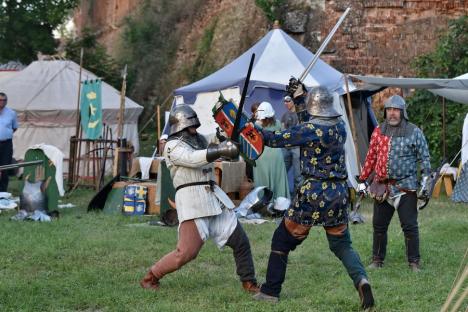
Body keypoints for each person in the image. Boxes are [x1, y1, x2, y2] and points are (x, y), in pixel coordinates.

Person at [253, 87, 374, 310]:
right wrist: (301, 98)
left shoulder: (309, 129)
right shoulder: (340, 127)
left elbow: (274, 138)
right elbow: (307, 123)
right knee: (342, 245)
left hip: (313, 193)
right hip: (338, 194)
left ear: (313, 108)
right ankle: (362, 280)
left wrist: (249, 127)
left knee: (281, 240)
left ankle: (270, 291)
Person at [140, 104, 260, 293]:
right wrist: (220, 150)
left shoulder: (200, 140)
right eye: (191, 125)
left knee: (240, 241)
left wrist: (229, 138)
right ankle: (150, 277)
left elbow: (215, 145)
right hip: (192, 201)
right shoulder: (172, 146)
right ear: (180, 125)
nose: (195, 128)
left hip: (213, 198)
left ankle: (249, 283)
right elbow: (193, 158)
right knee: (186, 253)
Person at [357, 95, 431, 272]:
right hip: (382, 186)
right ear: (385, 112)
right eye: (389, 110)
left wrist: (426, 182)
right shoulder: (378, 131)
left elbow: (425, 158)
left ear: (403, 112)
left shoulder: (414, 132)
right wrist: (362, 180)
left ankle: (414, 262)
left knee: (409, 226)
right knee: (379, 226)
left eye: (396, 110)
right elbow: (371, 157)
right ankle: (377, 260)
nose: (392, 114)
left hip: (406, 186)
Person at [253, 101, 290, 200]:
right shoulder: (277, 123)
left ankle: (263, 204)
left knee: (263, 181)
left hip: (261, 154)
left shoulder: (256, 125)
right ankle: (280, 203)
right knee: (278, 179)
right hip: (276, 154)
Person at [281, 95, 301, 195]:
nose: (286, 103)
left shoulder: (300, 114)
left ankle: (298, 197)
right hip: (287, 147)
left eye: (288, 101)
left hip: (297, 147)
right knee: (282, 172)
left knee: (298, 175)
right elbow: (283, 131)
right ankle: (282, 194)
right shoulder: (284, 115)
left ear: (293, 101)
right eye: (284, 101)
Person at [0, 92, 18, 192]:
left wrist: (5, 134)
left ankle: (3, 191)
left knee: (5, 166)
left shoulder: (11, 113)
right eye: (0, 100)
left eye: (4, 100)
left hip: (6, 144)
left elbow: (14, 127)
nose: (2, 102)